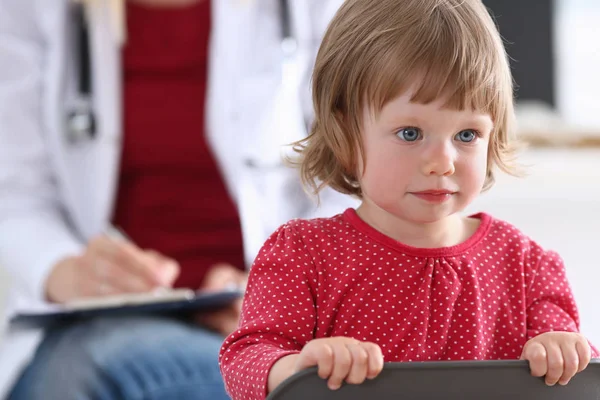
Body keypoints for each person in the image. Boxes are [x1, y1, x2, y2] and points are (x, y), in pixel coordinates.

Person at [218, 0, 600, 399]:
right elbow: (245, 361)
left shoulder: (527, 266)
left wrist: (566, 350)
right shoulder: (301, 256)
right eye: (410, 133)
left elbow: (577, 362)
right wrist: (297, 369)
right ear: (345, 133)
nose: (442, 162)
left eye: (467, 135)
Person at [0, 0, 353, 399]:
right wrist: (64, 270)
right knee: (80, 363)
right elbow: (16, 192)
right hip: (106, 324)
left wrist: (276, 292)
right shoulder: (32, 9)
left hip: (262, 338)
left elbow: (363, 178)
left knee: (81, 371)